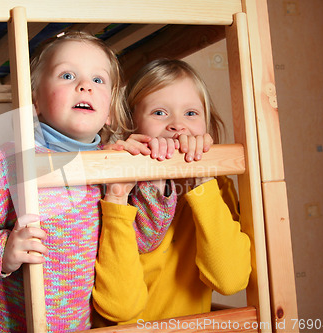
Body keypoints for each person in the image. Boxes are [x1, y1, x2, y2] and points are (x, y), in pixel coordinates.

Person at [0, 31, 136, 332]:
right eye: (67, 75)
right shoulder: (6, 164)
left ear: (111, 111)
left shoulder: (114, 164)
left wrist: (152, 171)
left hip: (90, 324)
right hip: (14, 324)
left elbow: (144, 239)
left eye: (98, 80)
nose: (85, 85)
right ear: (34, 100)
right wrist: (2, 250)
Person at [92, 59, 252, 326]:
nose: (178, 126)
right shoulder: (116, 184)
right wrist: (118, 196)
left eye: (191, 114)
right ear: (133, 124)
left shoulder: (216, 184)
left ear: (207, 124)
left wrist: (202, 181)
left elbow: (230, 280)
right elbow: (119, 309)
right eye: (159, 113)